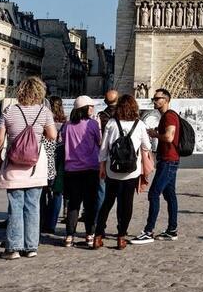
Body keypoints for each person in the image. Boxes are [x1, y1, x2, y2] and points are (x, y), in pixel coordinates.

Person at [0, 77, 57, 259]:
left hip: (14, 163)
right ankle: (31, 247)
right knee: (33, 205)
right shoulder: (44, 112)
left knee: (15, 205)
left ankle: (13, 247)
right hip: (35, 165)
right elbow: (52, 136)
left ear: (20, 91)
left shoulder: (9, 111)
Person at [94, 94, 151, 249]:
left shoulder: (112, 123)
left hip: (112, 170)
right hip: (131, 172)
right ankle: (121, 237)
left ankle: (98, 235)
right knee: (126, 203)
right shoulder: (139, 125)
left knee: (107, 202)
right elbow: (147, 146)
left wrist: (101, 168)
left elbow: (104, 148)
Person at [131, 88, 181, 244]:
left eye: (156, 98)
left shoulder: (169, 116)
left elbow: (169, 136)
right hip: (169, 160)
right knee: (170, 195)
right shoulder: (167, 116)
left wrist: (155, 135)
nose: (154, 101)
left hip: (168, 160)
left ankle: (148, 231)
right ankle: (172, 230)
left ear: (165, 99)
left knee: (153, 194)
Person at [60, 95, 102, 248]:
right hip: (90, 168)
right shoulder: (92, 124)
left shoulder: (67, 125)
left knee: (73, 204)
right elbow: (100, 142)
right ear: (86, 108)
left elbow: (63, 142)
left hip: (71, 170)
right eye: (91, 106)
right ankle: (89, 235)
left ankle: (69, 236)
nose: (93, 108)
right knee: (90, 204)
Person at [40, 95, 67, 235]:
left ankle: (41, 220)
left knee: (42, 192)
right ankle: (51, 224)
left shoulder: (44, 121)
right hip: (60, 161)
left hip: (45, 159)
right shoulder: (65, 123)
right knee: (57, 193)